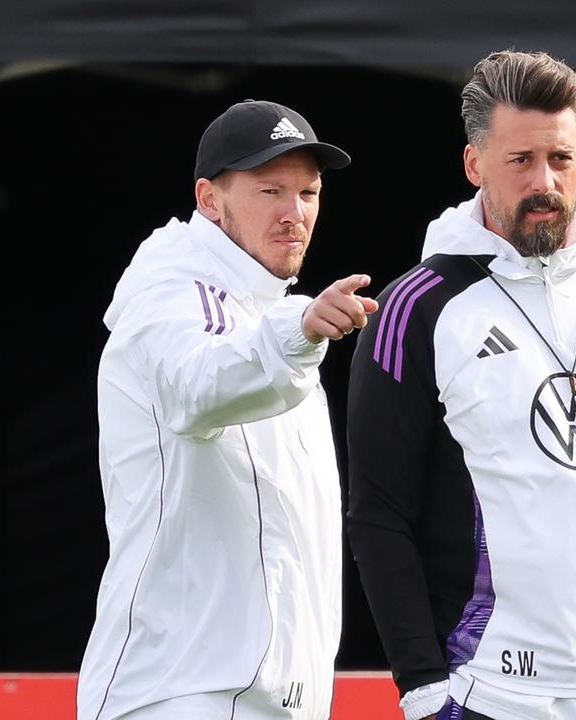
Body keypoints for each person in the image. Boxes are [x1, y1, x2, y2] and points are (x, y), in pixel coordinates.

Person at [347, 51, 576, 720]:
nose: (544, 181)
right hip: (495, 693)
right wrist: (427, 690)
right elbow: (378, 515)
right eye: (520, 161)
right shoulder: (418, 307)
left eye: (561, 159)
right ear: (474, 165)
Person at [77, 99, 377, 720]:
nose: (295, 214)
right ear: (209, 200)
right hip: (181, 694)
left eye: (309, 193)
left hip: (265, 698)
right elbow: (199, 385)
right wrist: (296, 334)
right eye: (271, 190)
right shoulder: (173, 291)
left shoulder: (267, 313)